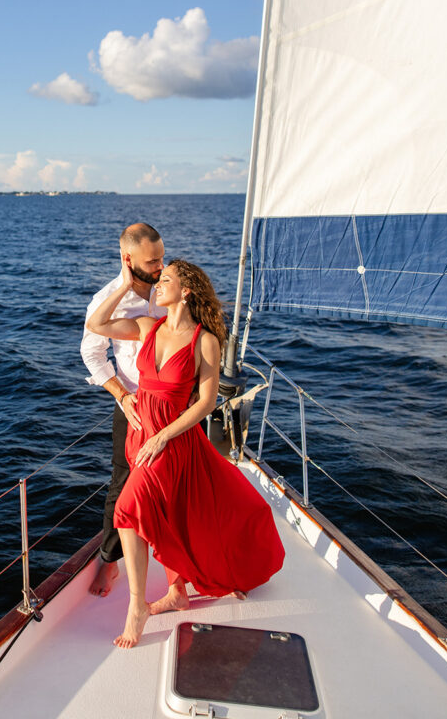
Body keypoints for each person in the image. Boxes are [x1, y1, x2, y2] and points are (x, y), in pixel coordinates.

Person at [86, 258, 285, 649]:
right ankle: (177, 591)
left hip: (171, 439)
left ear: (186, 290)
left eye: (166, 280)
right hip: (140, 433)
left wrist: (163, 437)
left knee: (128, 509)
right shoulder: (148, 327)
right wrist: (125, 286)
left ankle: (137, 607)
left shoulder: (204, 341)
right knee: (168, 511)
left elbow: (207, 401)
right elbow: (96, 325)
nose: (157, 285)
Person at [81, 222, 166, 597]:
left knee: (175, 482)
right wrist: (120, 393)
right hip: (133, 403)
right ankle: (109, 560)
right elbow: (91, 351)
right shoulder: (107, 299)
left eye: (162, 257)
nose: (160, 267)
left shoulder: (169, 288)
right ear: (127, 258)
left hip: (174, 402)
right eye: (152, 261)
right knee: (122, 484)